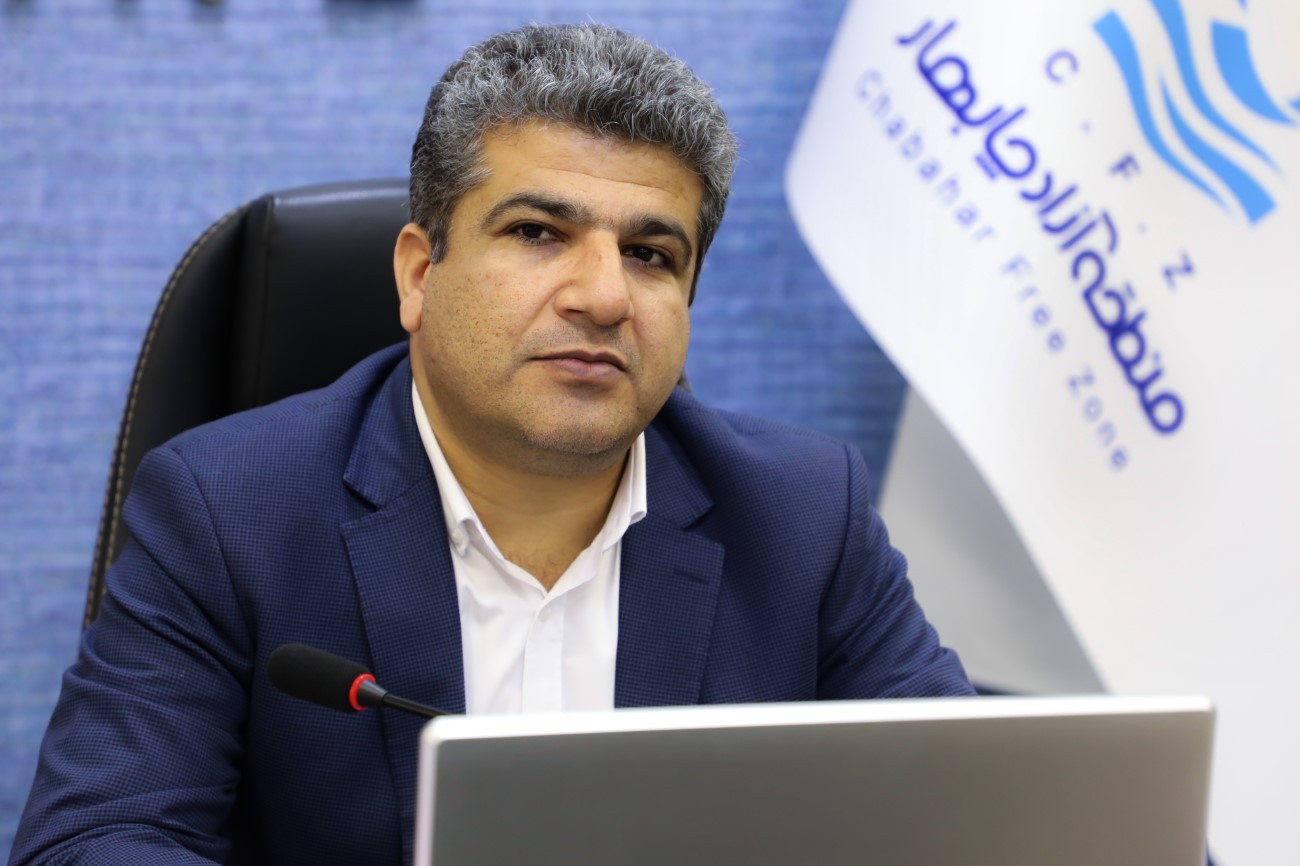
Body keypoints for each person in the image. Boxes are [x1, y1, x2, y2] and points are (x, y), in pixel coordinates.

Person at [11, 23, 973, 865]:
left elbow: (969, 810)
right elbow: (94, 839)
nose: (603, 296)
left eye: (650, 255)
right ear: (419, 274)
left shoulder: (805, 517)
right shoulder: (227, 511)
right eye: (539, 232)